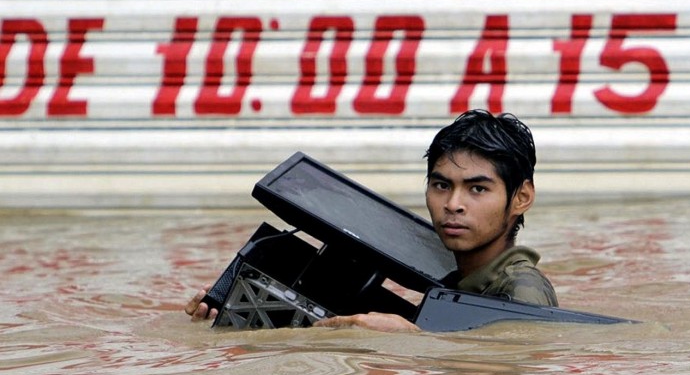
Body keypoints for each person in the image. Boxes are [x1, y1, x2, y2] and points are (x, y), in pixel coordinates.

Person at [185, 110, 557, 332]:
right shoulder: (459, 280)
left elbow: (518, 361)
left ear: (520, 198)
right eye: (441, 185)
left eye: (477, 189)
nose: (453, 204)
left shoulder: (522, 291)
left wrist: (411, 337)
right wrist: (236, 309)